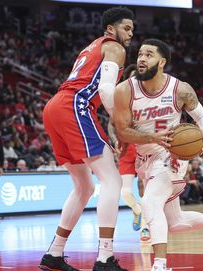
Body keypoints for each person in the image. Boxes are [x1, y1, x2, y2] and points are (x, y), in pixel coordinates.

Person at [113, 39, 203, 271]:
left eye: (149, 55)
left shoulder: (180, 89)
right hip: (145, 158)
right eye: (140, 55)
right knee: (175, 222)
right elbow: (123, 131)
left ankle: (160, 265)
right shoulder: (125, 90)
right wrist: (149, 138)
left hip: (171, 157)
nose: (142, 59)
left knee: (149, 202)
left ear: (162, 62)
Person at [39, 7, 134, 271]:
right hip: (74, 107)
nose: (130, 34)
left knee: (84, 187)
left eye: (132, 30)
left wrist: (112, 128)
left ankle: (53, 254)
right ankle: (105, 258)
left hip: (54, 107)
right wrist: (121, 126)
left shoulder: (90, 47)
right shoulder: (114, 47)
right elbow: (104, 90)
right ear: (111, 29)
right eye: (127, 28)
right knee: (112, 180)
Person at [107, 64, 150, 242]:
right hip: (126, 148)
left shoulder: (148, 99)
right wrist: (114, 139)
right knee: (125, 191)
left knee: (145, 191)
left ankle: (146, 228)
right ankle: (138, 211)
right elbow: (111, 125)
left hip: (143, 148)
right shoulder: (121, 99)